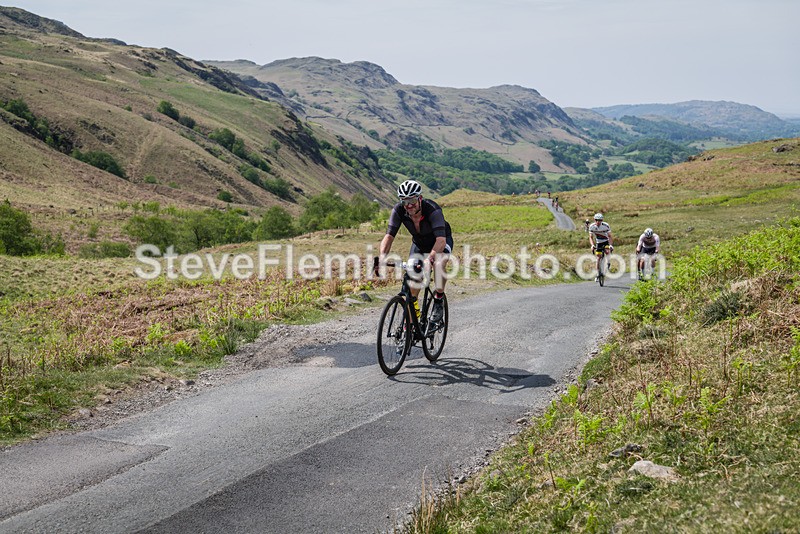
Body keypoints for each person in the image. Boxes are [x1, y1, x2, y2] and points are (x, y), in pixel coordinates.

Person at [376, 180, 453, 323]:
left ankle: (438, 300)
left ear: (420, 198)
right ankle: (411, 324)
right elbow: (389, 236)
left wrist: (429, 259)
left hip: (440, 241)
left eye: (412, 200)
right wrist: (382, 257)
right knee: (413, 281)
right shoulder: (399, 210)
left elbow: (441, 241)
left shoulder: (432, 210)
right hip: (420, 244)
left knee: (438, 264)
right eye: (405, 202)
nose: (409, 205)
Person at [588, 213, 613, 281]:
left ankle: (608, 263)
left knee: (607, 251)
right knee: (598, 258)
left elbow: (610, 236)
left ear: (602, 220)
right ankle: (597, 274)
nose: (598, 222)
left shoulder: (606, 226)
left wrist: (610, 245)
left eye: (600, 220)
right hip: (598, 242)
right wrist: (592, 245)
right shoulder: (592, 226)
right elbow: (591, 237)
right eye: (596, 220)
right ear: (594, 220)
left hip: (606, 241)